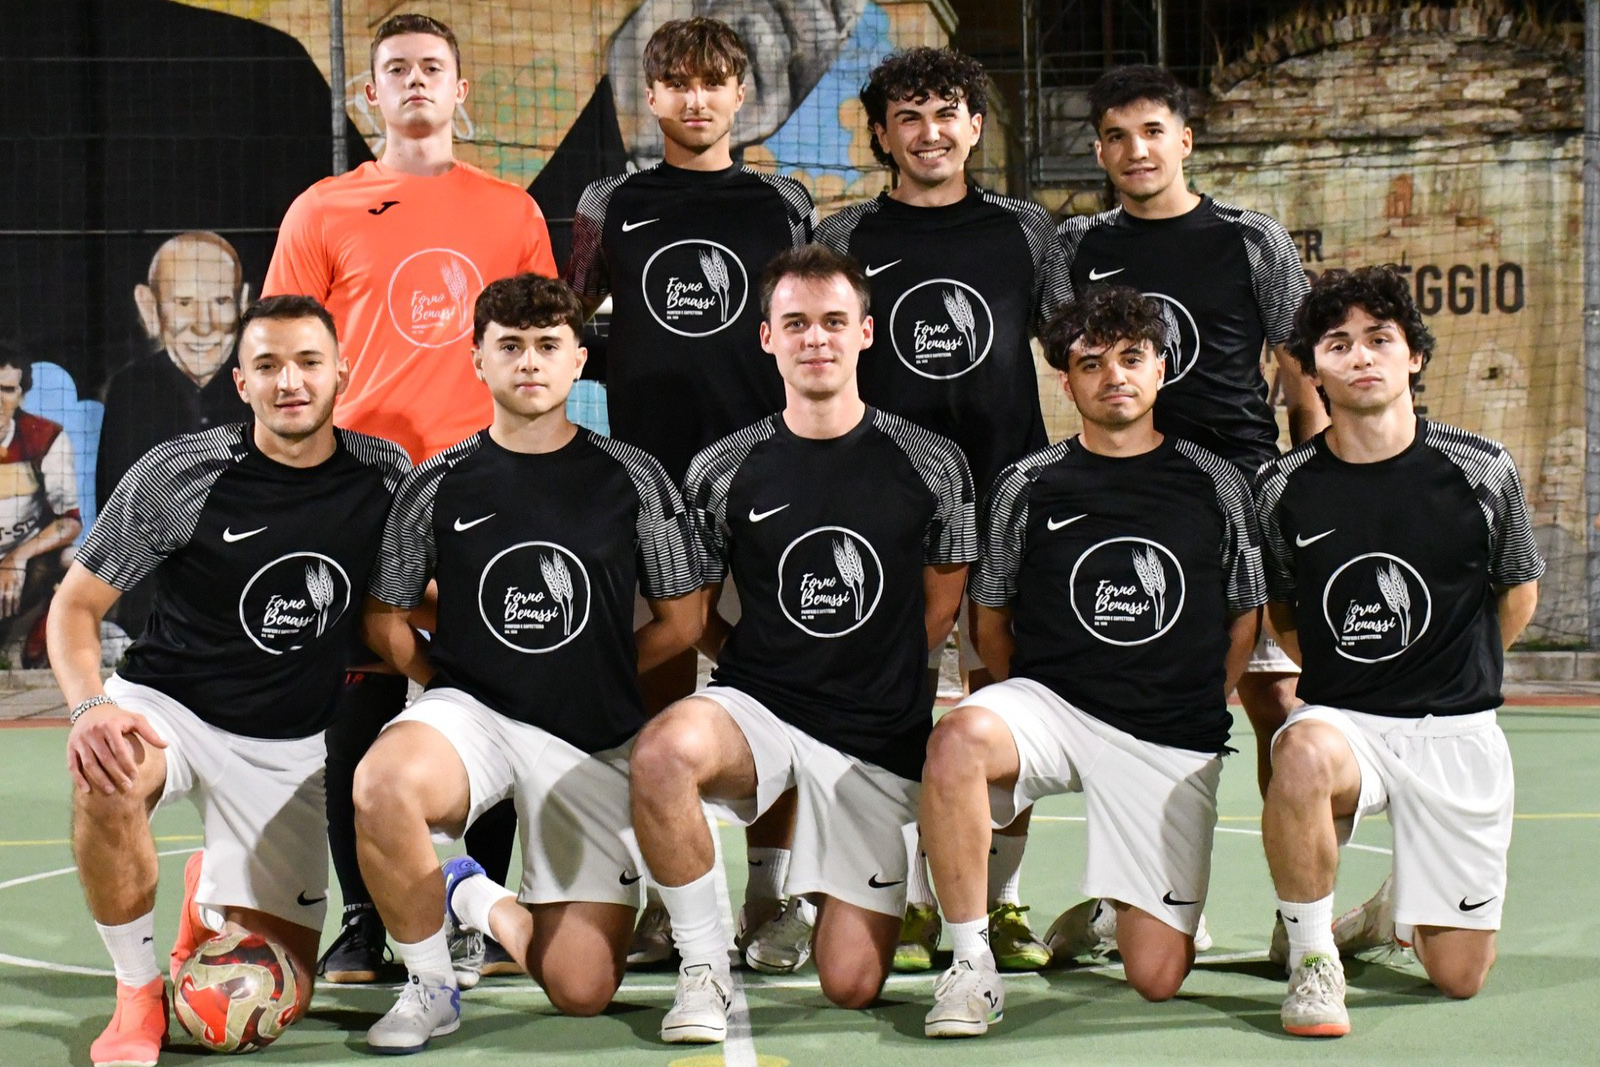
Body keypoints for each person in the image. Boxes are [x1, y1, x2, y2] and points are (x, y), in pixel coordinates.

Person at [264, 11, 557, 984]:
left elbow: (539, 347)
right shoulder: (321, 211)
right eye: (397, 69)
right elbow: (287, 351)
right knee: (361, 701)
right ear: (370, 95)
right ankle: (361, 920)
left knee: (490, 691)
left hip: (488, 484)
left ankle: (483, 913)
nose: (417, 80)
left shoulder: (512, 212)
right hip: (361, 493)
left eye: (433, 66)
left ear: (461, 91)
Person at [49, 295, 408, 1067]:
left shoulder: (385, 476)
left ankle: (207, 889)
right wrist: (88, 706)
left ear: (343, 372)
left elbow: (402, 608)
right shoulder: (179, 473)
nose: (290, 381)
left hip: (288, 743)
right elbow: (74, 606)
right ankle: (137, 991)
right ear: (241, 381)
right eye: (268, 365)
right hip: (170, 706)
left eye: (308, 362)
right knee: (106, 771)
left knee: (280, 991)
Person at [630, 244, 975, 1043]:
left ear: (865, 333)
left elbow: (941, 605)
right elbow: (696, 610)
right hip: (762, 706)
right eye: (795, 323)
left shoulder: (934, 462)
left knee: (851, 984)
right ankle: (703, 967)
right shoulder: (720, 467)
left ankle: (836, 894)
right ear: (767, 338)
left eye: (832, 321)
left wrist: (866, 670)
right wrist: (752, 661)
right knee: (663, 753)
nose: (815, 337)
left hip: (877, 732)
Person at [351, 275, 704, 1053]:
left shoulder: (637, 476)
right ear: (477, 359)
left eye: (548, 345)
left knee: (582, 989)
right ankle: (429, 984)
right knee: (383, 783)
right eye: (509, 346)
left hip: (591, 733)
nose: (530, 362)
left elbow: (685, 621)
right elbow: (383, 617)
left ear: (579, 358)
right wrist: (450, 680)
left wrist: (600, 664)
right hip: (472, 714)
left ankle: (468, 893)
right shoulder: (435, 483)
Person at [916, 286, 1263, 1037]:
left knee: (1157, 976)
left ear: (1161, 368)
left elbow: (1244, 615)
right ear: (1067, 383)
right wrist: (1027, 701)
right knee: (958, 738)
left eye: (1132, 358)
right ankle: (971, 963)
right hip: (1055, 707)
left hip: (1167, 729)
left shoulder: (1216, 481)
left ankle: (1112, 910)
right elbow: (991, 620)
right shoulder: (1028, 482)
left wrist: (1202, 700)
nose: (1115, 376)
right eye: (1092, 363)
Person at [565, 15, 818, 970]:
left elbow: (810, 322)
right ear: (652, 95)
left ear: (742, 95)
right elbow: (569, 321)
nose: (696, 99)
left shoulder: (782, 201)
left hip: (767, 482)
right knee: (661, 688)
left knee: (773, 685)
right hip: (652, 486)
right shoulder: (611, 201)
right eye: (677, 82)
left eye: (714, 82)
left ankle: (771, 894)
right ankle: (672, 900)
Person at [1052, 64, 1320, 953]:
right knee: (1127, 699)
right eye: (1117, 137)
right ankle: (1129, 897)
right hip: (1128, 507)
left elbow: (1299, 368)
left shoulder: (1251, 239)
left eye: (1153, 132)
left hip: (1244, 497)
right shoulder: (1076, 244)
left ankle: (1300, 917)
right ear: (1100, 152)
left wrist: (1311, 475)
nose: (1136, 150)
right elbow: (1072, 362)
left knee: (1278, 706)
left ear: (1186, 141)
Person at [817, 44, 1070, 974]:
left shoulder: (1027, 230)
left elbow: (1074, 344)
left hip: (1007, 503)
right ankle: (906, 901)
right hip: (884, 507)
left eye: (946, 114)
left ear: (974, 125)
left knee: (1005, 700)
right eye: (909, 118)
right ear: (883, 136)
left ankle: (999, 899)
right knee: (890, 700)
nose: (930, 133)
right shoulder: (844, 233)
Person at [1255, 266, 1542, 1036]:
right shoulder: (1282, 487)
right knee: (1299, 752)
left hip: (1457, 731)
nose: (1361, 356)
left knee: (1458, 976)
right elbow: (1284, 614)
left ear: (1413, 355)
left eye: (1379, 339)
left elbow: (1517, 593)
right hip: (1348, 722)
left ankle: (1389, 912)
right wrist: (1357, 674)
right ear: (1313, 369)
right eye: (1337, 343)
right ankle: (1313, 958)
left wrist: (1451, 664)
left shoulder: (1482, 469)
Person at [97, 231, 249, 512]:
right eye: (184, 302)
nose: (204, 325)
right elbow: (116, 506)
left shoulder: (262, 383)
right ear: (149, 307)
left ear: (243, 304)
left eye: (221, 301)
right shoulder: (130, 389)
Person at [0, 348, 83, 659]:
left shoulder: (46, 437)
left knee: (76, 561)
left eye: (7, 390)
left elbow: (70, 522)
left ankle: (35, 647)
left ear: (21, 396)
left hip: (25, 569)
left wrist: (16, 558)